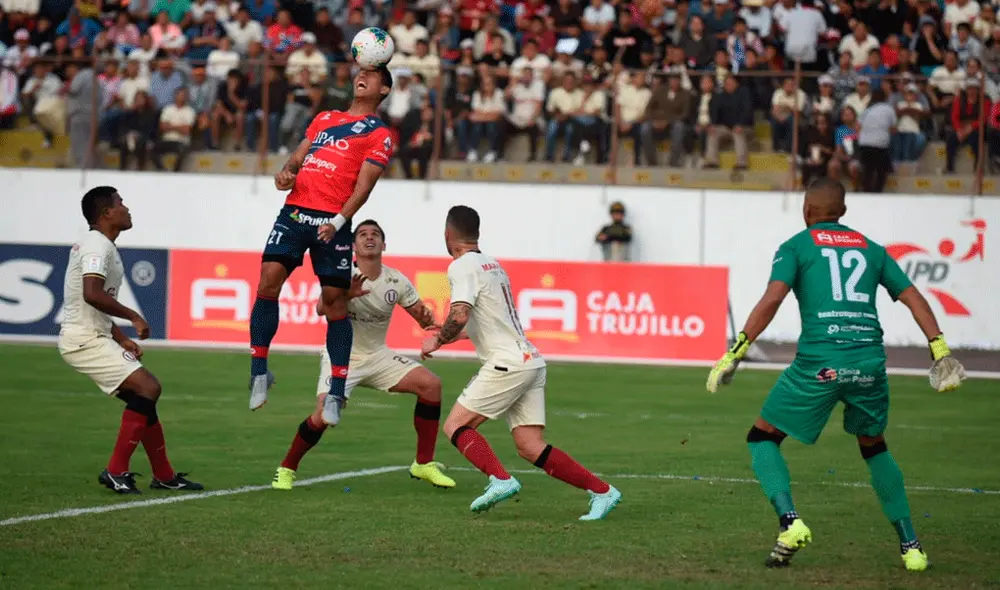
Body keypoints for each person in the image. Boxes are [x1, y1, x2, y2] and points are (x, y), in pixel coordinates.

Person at [706, 179, 966, 571]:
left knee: (762, 437)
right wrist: (939, 349)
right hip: (868, 363)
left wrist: (736, 351)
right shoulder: (872, 249)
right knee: (874, 446)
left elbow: (773, 297)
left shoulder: (796, 246)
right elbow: (913, 296)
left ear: (806, 209)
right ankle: (911, 547)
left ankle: (790, 523)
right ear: (842, 211)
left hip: (820, 364)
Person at [420, 205, 622, 520]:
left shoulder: (461, 267)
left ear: (448, 235)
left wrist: (438, 339)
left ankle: (500, 480)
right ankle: (603, 492)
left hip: (508, 363)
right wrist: (452, 335)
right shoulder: (493, 266)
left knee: (456, 425)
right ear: (477, 234)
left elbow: (459, 315)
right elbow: (488, 323)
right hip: (530, 360)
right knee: (529, 445)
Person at [248, 66, 394, 427]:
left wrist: (340, 223)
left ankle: (336, 390)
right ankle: (259, 372)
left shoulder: (380, 134)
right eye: (360, 72)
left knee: (335, 304)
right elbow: (297, 158)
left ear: (384, 90)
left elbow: (365, 186)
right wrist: (286, 173)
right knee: (268, 281)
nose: (362, 77)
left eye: (372, 75)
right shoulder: (325, 118)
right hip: (295, 213)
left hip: (333, 222)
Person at [272, 219, 454, 490]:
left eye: (375, 235)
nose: (370, 238)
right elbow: (321, 308)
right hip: (342, 356)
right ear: (354, 246)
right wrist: (347, 295)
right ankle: (286, 469)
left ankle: (423, 464)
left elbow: (420, 316)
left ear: (383, 244)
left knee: (431, 386)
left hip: (378, 356)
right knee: (322, 417)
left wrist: (427, 320)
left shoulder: (396, 280)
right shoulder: (340, 273)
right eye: (363, 235)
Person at [58, 186, 203, 494]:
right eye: (120, 203)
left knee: (144, 400)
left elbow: (93, 301)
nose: (127, 208)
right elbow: (91, 294)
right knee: (149, 387)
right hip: (83, 339)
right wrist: (133, 317)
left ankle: (164, 475)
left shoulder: (102, 245)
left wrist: (120, 337)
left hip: (94, 334)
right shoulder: (97, 246)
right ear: (106, 213)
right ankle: (115, 471)